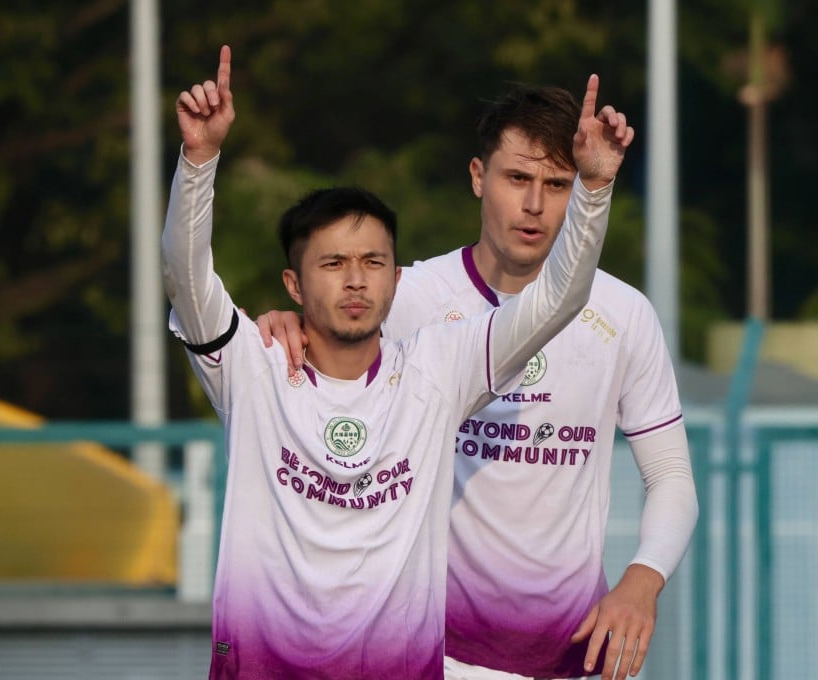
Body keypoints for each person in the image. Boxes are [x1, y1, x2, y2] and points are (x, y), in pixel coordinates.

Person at [162, 45, 633, 680]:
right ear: (293, 285)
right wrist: (198, 160)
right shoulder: (252, 367)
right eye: (332, 263)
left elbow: (558, 300)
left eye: (373, 262)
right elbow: (185, 277)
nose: (355, 280)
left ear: (396, 279)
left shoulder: (440, 371)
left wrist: (594, 188)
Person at [258, 84, 698, 680]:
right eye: (517, 179)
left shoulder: (624, 314)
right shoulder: (409, 300)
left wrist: (643, 580)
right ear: (476, 176)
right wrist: (288, 323)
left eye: (558, 185)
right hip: (433, 656)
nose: (535, 205)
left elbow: (671, 477)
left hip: (575, 657)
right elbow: (322, 354)